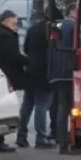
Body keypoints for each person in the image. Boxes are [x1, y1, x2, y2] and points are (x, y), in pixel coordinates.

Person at [0, 9, 27, 153]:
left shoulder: (0, 33)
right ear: (6, 21)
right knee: (2, 108)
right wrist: (28, 61)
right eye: (14, 22)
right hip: (5, 74)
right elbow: (12, 55)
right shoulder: (2, 36)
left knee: (2, 107)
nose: (15, 25)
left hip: (3, 72)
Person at [48, 0, 79, 154]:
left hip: (59, 72)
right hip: (69, 72)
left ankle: (62, 141)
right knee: (69, 107)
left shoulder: (60, 25)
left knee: (62, 108)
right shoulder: (72, 25)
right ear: (73, 11)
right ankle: (68, 141)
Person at [18, 13, 53, 148]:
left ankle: (21, 134)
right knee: (41, 105)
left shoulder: (32, 29)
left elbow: (26, 49)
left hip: (30, 70)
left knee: (27, 104)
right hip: (45, 72)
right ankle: (41, 137)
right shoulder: (50, 31)